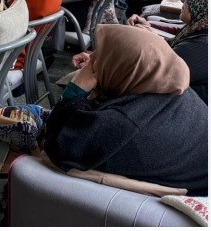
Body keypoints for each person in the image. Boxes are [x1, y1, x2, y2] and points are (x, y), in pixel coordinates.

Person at [42, 25, 207, 195]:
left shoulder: (121, 121)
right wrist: (105, 63)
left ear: (127, 68)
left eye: (99, 57)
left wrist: (75, 90)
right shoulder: (171, 86)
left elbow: (55, 142)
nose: (93, 60)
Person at [126, 0, 208, 103]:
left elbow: (157, 73)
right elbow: (173, 46)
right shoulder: (199, 27)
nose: (182, 0)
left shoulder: (203, 45)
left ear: (201, 5)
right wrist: (148, 29)